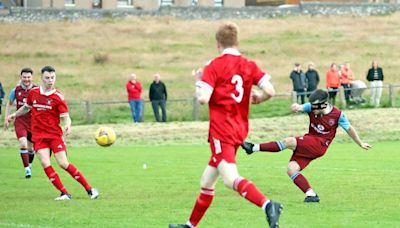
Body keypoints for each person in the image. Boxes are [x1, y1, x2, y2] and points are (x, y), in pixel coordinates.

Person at [169, 22, 282, 228]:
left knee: (230, 179)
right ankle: (190, 225)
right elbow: (271, 91)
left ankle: (267, 205)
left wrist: (198, 80)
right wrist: (259, 98)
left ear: (218, 43)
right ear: (237, 41)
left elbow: (203, 98)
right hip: (239, 129)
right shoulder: (249, 64)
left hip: (222, 131)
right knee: (206, 182)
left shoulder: (214, 65)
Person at [241, 89, 370, 203]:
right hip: (310, 140)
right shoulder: (312, 106)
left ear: (324, 103)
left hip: (320, 144)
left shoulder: (338, 115)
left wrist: (360, 143)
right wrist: (296, 106)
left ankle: (252, 148)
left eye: (315, 106)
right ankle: (311, 195)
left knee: (289, 141)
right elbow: (301, 107)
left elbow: (349, 129)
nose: (312, 108)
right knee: (291, 169)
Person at [6, 66, 99, 200]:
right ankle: (64, 193)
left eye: (52, 78)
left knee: (63, 163)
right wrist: (15, 114)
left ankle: (90, 190)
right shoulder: (34, 93)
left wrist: (68, 124)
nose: (50, 80)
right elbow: (27, 107)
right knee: (45, 163)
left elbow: (66, 116)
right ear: (42, 78)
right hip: (39, 136)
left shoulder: (58, 97)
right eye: (47, 78)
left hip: (54, 135)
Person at [3, 68, 37, 178]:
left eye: (28, 77)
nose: (26, 79)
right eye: (24, 77)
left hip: (33, 122)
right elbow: (9, 103)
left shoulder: (37, 90)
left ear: (32, 77)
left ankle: (29, 164)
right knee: (23, 144)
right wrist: (6, 117)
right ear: (21, 77)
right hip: (20, 121)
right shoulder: (15, 90)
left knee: (31, 149)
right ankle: (27, 169)